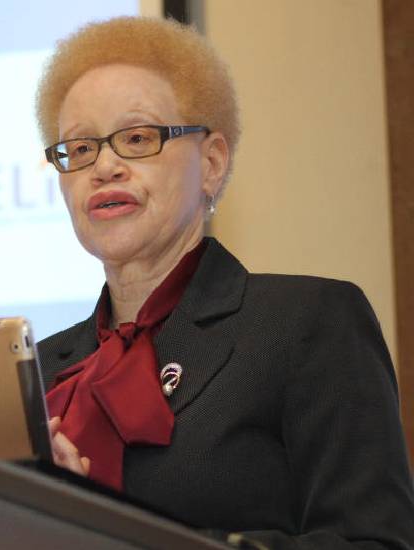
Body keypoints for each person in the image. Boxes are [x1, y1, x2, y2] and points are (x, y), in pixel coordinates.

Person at [34, 16, 414, 549]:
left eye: (137, 137)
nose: (105, 167)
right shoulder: (39, 374)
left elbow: (375, 542)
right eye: (79, 149)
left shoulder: (308, 323)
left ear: (211, 163)